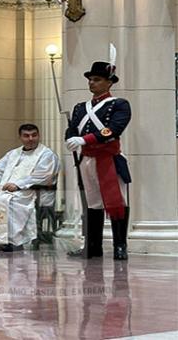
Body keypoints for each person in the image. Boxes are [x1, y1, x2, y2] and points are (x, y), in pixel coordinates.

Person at [65, 61, 131, 260]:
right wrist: (70, 138)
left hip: (109, 159)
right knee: (92, 204)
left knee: (117, 202)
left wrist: (84, 139)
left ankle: (120, 245)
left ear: (109, 83)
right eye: (90, 80)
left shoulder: (119, 104)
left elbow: (112, 129)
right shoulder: (80, 108)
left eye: (97, 80)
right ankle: (93, 246)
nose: (91, 83)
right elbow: (73, 127)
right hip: (87, 160)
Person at [0, 124, 59, 251]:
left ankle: (10, 241)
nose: (31, 138)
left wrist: (18, 185)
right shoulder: (13, 153)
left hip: (28, 191)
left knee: (5, 202)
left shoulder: (46, 154)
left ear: (39, 136)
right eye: (26, 136)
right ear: (20, 137)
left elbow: (44, 176)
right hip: (3, 190)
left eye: (34, 135)